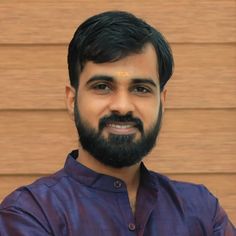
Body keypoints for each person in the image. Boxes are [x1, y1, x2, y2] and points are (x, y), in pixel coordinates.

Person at [0, 11, 235, 236]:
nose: (122, 106)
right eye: (102, 86)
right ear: (72, 101)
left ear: (162, 103)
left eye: (140, 89)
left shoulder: (201, 211)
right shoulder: (31, 214)